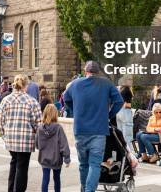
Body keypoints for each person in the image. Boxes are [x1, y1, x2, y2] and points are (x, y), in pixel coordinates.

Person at [63, 61, 123, 192]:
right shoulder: (106, 83)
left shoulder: (75, 84)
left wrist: (75, 112)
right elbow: (119, 101)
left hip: (80, 130)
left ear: (86, 71)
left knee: (83, 165)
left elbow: (65, 98)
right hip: (99, 131)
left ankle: (85, 189)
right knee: (95, 165)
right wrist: (108, 115)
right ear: (98, 72)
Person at [0, 74, 42, 192]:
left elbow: (1, 122)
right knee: (22, 167)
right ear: (26, 86)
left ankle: (10, 189)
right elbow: (38, 123)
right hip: (25, 140)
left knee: (14, 163)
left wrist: (5, 136)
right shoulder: (31, 101)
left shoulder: (5, 100)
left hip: (11, 139)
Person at [36, 104, 71, 192]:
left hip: (44, 158)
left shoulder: (40, 128)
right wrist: (67, 158)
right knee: (57, 179)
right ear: (55, 114)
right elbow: (64, 144)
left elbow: (36, 144)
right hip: (56, 159)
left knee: (45, 179)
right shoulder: (58, 128)